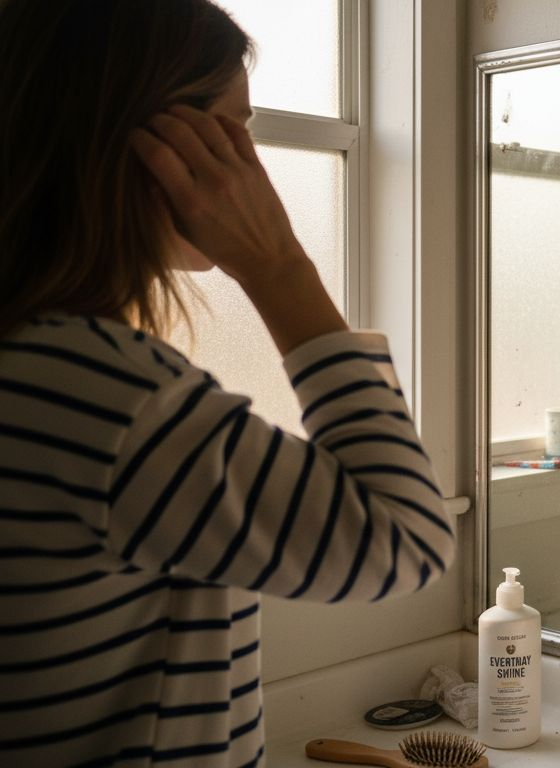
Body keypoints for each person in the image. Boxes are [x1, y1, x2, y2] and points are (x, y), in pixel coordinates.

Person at [0, 2, 454, 765]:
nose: (253, 164)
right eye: (230, 130)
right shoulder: (98, 392)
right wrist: (280, 268)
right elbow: (403, 541)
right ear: (142, 140)